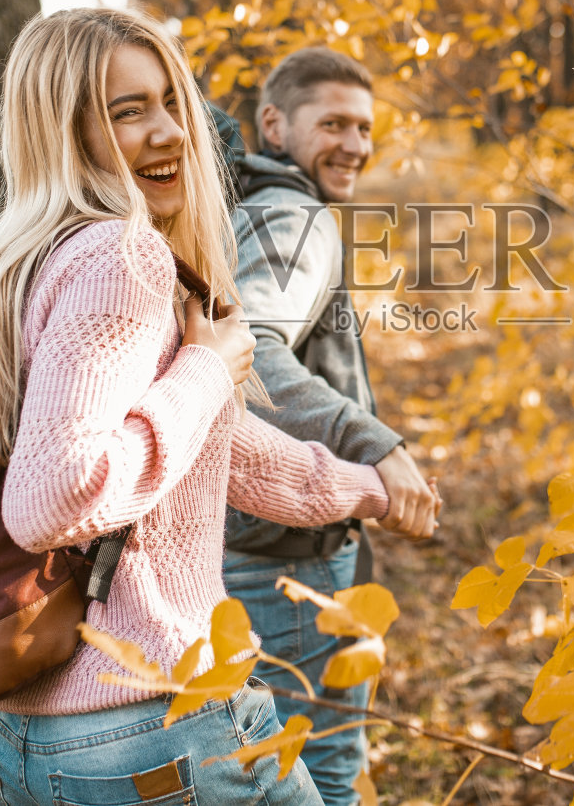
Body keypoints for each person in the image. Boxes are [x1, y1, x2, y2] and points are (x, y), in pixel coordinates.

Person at [0, 9, 401, 806]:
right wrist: (210, 368)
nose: (173, 132)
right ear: (63, 130)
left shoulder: (16, 266)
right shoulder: (120, 255)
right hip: (162, 720)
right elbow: (53, 496)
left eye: (170, 103)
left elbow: (224, 447)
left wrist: (369, 486)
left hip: (32, 733)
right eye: (128, 111)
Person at [221, 47, 441, 806]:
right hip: (288, 558)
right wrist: (375, 443)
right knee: (324, 772)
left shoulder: (237, 206)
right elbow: (246, 349)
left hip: (233, 542)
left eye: (365, 127)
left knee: (255, 771)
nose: (355, 144)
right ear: (274, 124)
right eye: (334, 123)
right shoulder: (295, 214)